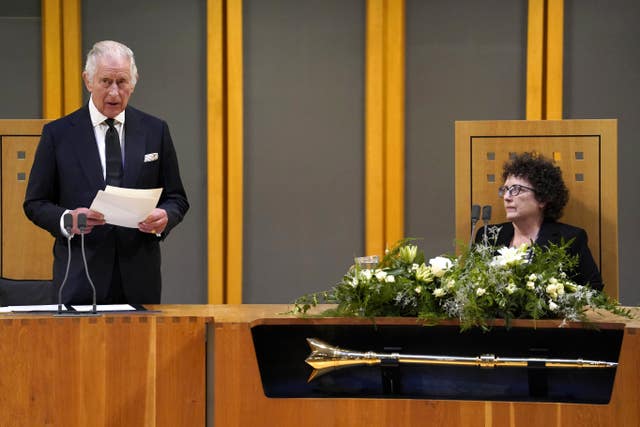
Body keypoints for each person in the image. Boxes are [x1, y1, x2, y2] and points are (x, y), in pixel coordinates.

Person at [24, 40, 189, 305]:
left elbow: (177, 198)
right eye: (105, 82)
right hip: (80, 276)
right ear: (88, 80)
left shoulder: (155, 131)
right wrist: (68, 219)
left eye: (122, 82)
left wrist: (165, 217)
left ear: (133, 84)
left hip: (139, 278)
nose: (114, 92)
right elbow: (35, 203)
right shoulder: (58, 134)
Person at [475, 152, 603, 291]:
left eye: (516, 190)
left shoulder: (569, 239)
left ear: (542, 198)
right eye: (505, 190)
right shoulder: (487, 236)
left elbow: (594, 290)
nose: (506, 197)